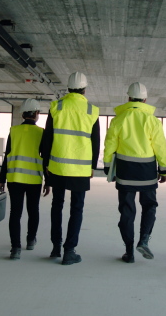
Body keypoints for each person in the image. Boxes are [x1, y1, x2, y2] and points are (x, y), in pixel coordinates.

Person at [103, 82, 166, 263]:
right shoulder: (152, 120)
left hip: (125, 171)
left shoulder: (119, 119)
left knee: (126, 210)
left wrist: (108, 166)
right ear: (145, 99)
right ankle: (144, 239)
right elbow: (161, 147)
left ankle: (129, 251)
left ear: (129, 98)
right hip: (147, 171)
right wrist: (163, 169)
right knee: (149, 206)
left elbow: (110, 144)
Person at [39, 71, 100, 265]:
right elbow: (95, 141)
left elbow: (47, 137)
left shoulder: (57, 106)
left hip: (57, 166)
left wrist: (46, 163)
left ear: (68, 88)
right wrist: (92, 165)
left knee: (57, 205)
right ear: (84, 88)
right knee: (77, 208)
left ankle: (56, 246)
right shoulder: (92, 110)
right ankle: (69, 250)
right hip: (80, 169)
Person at [0, 99, 50, 260]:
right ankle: (30, 240)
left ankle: (15, 248)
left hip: (14, 179)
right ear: (36, 114)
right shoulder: (41, 133)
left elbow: (7, 156)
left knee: (15, 213)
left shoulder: (13, 131)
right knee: (33, 211)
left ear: (22, 114)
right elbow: (46, 159)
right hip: (34, 179)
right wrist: (48, 182)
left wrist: (1, 179)